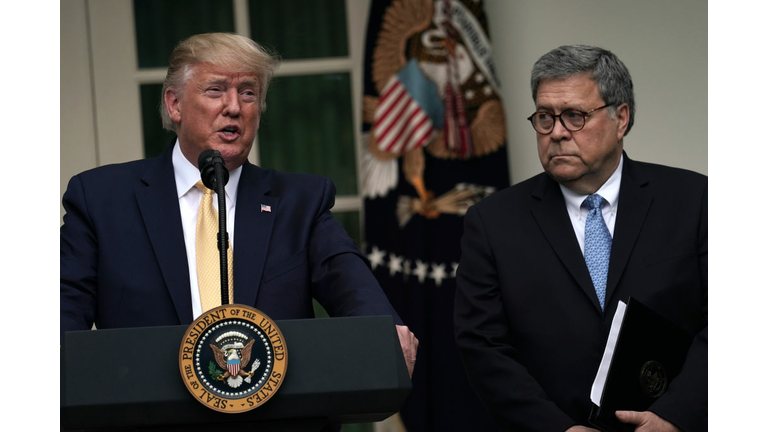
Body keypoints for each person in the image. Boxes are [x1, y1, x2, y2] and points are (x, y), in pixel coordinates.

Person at [60, 33, 418, 376]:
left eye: (248, 93)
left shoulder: (299, 203)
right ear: (174, 104)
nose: (234, 107)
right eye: (216, 90)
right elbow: (63, 314)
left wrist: (385, 330)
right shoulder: (102, 199)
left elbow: (351, 286)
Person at [454, 45, 706, 432]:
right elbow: (483, 347)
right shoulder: (492, 223)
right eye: (544, 117)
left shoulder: (695, 201)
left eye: (574, 116)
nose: (556, 132)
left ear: (620, 118)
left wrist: (675, 417)